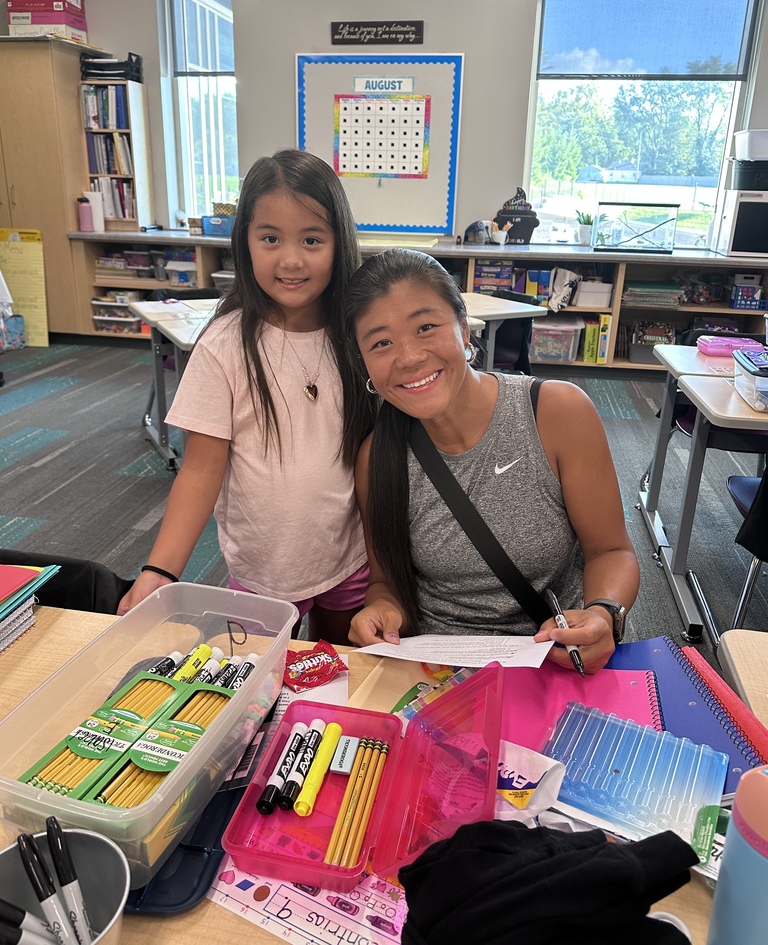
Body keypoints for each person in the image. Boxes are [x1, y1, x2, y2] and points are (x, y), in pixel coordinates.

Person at [118, 149, 378, 642]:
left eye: (312, 239)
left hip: (350, 557)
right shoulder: (226, 345)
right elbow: (200, 470)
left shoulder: (357, 332)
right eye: (270, 238)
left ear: (339, 242)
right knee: (258, 686)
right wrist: (162, 570)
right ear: (245, 243)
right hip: (264, 568)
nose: (292, 259)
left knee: (342, 670)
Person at [342, 248, 640, 672]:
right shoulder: (378, 457)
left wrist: (602, 614)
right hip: (435, 668)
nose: (408, 358)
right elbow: (386, 581)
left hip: (552, 657)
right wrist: (383, 610)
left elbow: (611, 550)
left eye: (426, 327)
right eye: (381, 342)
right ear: (365, 362)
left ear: (464, 329)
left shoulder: (556, 413)